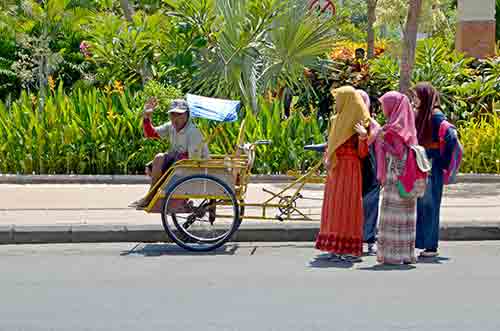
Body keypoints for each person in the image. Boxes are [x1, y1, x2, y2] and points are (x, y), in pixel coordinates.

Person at [315, 86, 371, 262]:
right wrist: (327, 157)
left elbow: (362, 154)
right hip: (335, 169)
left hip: (350, 169)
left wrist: (363, 137)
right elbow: (330, 145)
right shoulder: (335, 120)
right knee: (333, 207)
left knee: (349, 207)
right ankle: (333, 246)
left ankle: (348, 249)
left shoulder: (361, 121)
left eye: (339, 98)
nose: (336, 102)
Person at [129, 98, 209, 209]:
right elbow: (150, 133)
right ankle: (151, 195)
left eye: (179, 114)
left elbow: (192, 160)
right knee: (158, 158)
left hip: (195, 166)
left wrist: (169, 165)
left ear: (186, 115)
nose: (175, 118)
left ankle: (150, 198)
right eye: (172, 114)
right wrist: (147, 117)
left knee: (167, 164)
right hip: (179, 162)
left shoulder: (193, 132)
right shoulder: (171, 126)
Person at [413, 82, 458, 258]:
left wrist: (440, 157)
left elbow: (451, 136)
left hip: (431, 164)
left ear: (425, 97)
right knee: (424, 204)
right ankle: (425, 244)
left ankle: (431, 246)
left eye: (416, 97)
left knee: (429, 205)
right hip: (426, 163)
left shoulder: (435, 115)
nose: (414, 100)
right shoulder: (425, 114)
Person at [375, 91, 418, 265]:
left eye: (384, 104)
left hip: (395, 175)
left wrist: (382, 140)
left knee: (393, 214)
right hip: (407, 176)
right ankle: (406, 253)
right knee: (405, 215)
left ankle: (393, 255)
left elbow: (398, 152)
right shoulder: (407, 126)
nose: (382, 108)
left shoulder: (394, 128)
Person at [357, 90, 381, 255]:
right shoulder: (346, 120)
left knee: (370, 204)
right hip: (352, 167)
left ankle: (370, 239)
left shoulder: (372, 124)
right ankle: (355, 240)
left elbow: (375, 142)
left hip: (369, 167)